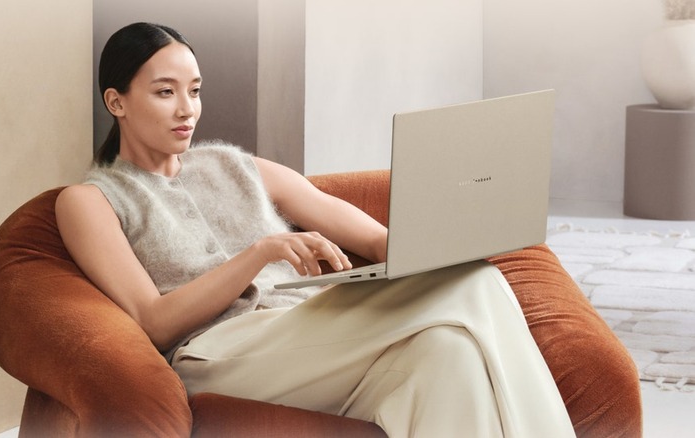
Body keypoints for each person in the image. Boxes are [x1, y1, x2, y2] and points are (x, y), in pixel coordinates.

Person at [55, 22, 575, 437]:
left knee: (449, 355)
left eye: (194, 90)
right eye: (165, 92)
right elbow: (153, 322)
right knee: (476, 284)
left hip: (313, 340)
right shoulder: (91, 201)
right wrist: (260, 253)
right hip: (215, 356)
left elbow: (376, 240)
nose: (187, 109)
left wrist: (461, 221)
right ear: (116, 102)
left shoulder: (237, 166)